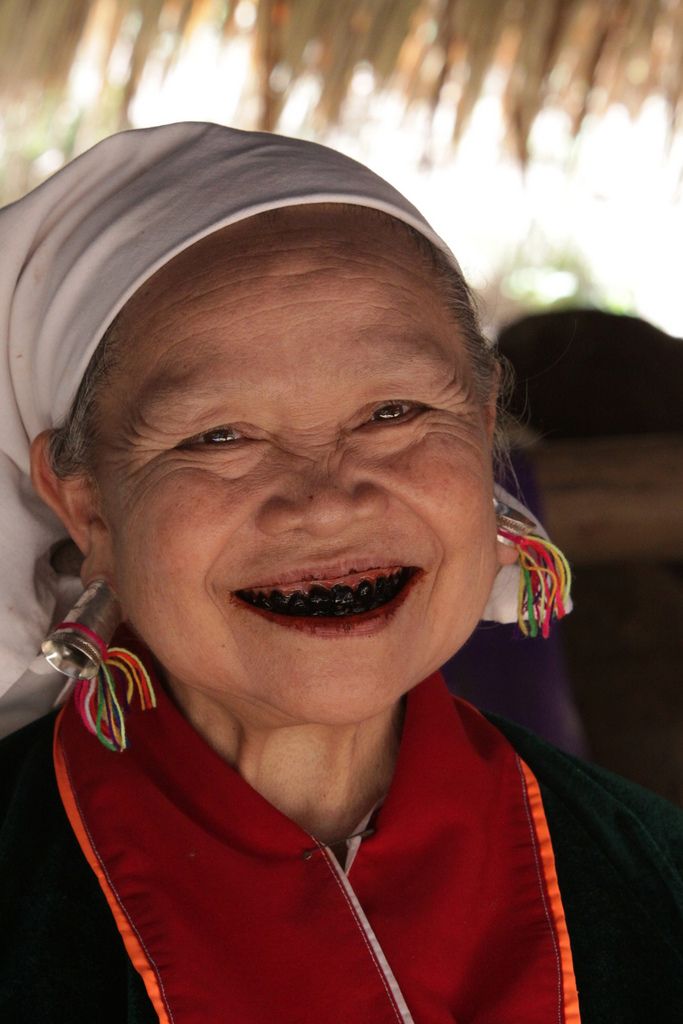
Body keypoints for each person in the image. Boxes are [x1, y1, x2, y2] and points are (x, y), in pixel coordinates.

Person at [0, 123, 681, 1024]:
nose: (325, 504)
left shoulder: (653, 878)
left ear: (480, 431)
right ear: (85, 506)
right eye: (219, 436)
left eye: (392, 412)